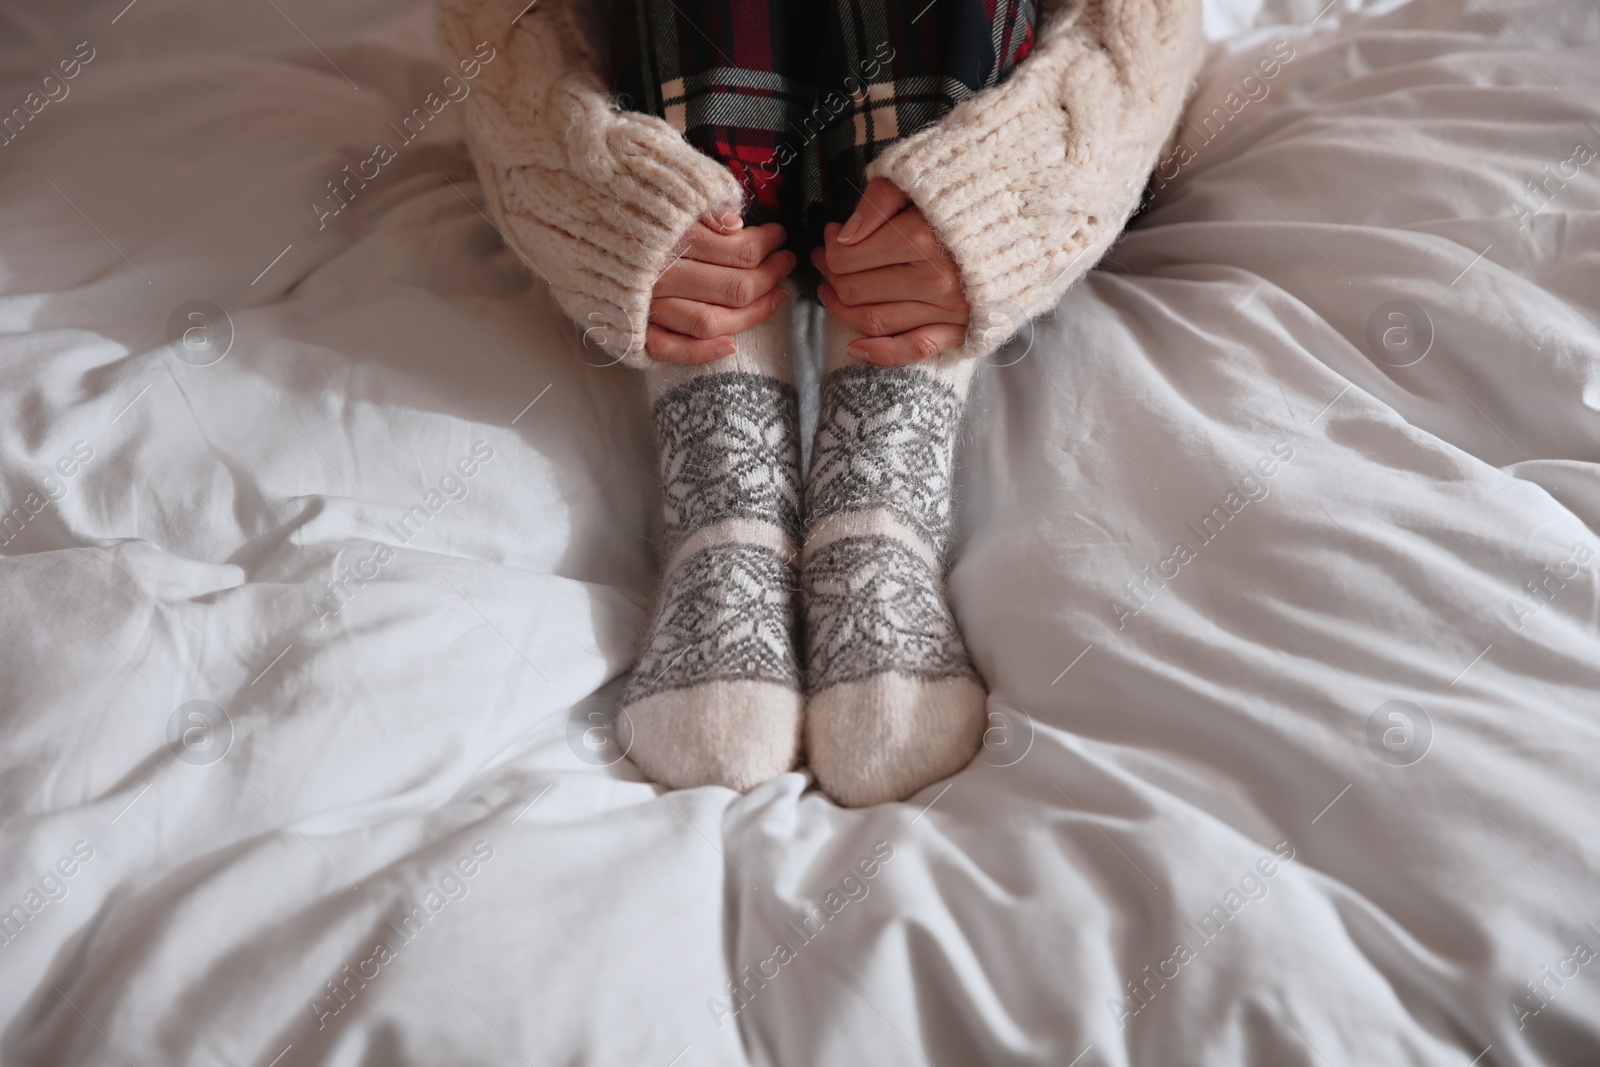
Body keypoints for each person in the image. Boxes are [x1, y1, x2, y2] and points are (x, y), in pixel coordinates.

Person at [434, 0, 1202, 806]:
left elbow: (1145, 24)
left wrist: (1005, 196)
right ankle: (727, 497)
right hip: (684, 118)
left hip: (969, 119)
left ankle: (877, 499)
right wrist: (598, 199)